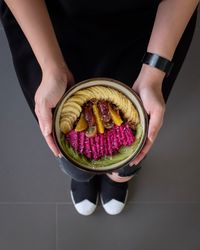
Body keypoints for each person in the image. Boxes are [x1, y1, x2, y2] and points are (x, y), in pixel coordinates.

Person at [0, 0, 198, 216]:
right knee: (67, 149)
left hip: (148, 27)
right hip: (46, 24)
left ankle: (119, 177)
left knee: (133, 150)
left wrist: (152, 75)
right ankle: (81, 174)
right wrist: (52, 69)